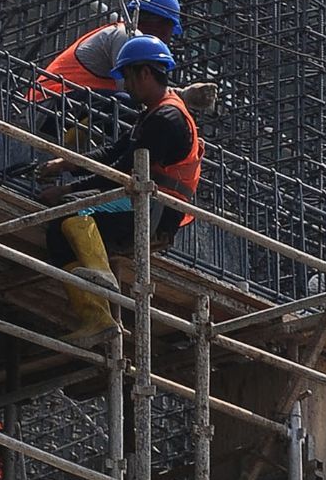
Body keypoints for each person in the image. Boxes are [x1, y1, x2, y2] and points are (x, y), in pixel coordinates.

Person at [39, 32, 204, 339]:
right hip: (138, 201)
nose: (125, 86)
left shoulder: (166, 119)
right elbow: (115, 152)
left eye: (128, 77)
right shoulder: (153, 115)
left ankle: (102, 277)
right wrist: (67, 163)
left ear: (144, 72)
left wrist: (65, 191)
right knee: (57, 234)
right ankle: (97, 318)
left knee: (73, 211)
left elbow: (119, 171)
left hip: (152, 209)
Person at [27, 0, 183, 143]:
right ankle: (78, 148)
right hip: (48, 107)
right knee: (130, 106)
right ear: (160, 25)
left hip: (62, 108)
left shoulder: (122, 34)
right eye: (168, 31)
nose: (166, 39)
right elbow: (139, 95)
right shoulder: (126, 34)